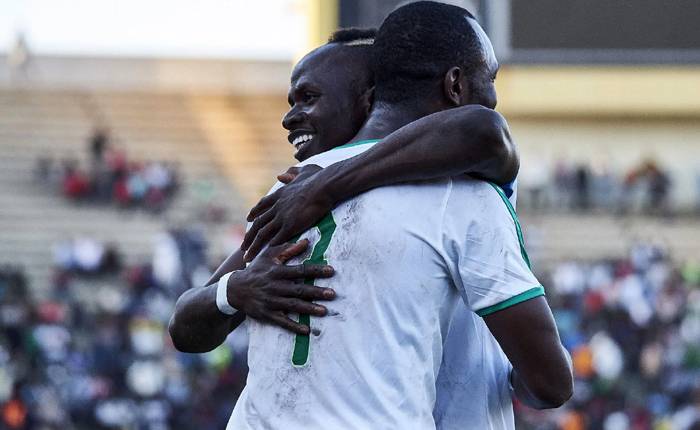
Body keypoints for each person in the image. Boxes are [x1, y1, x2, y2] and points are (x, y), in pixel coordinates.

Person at [172, 2, 572, 428]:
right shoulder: (465, 194)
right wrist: (517, 379)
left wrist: (327, 184)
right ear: (456, 84)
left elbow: (482, 132)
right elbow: (550, 385)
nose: (494, 98)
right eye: (490, 81)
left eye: (309, 97)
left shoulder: (290, 190)